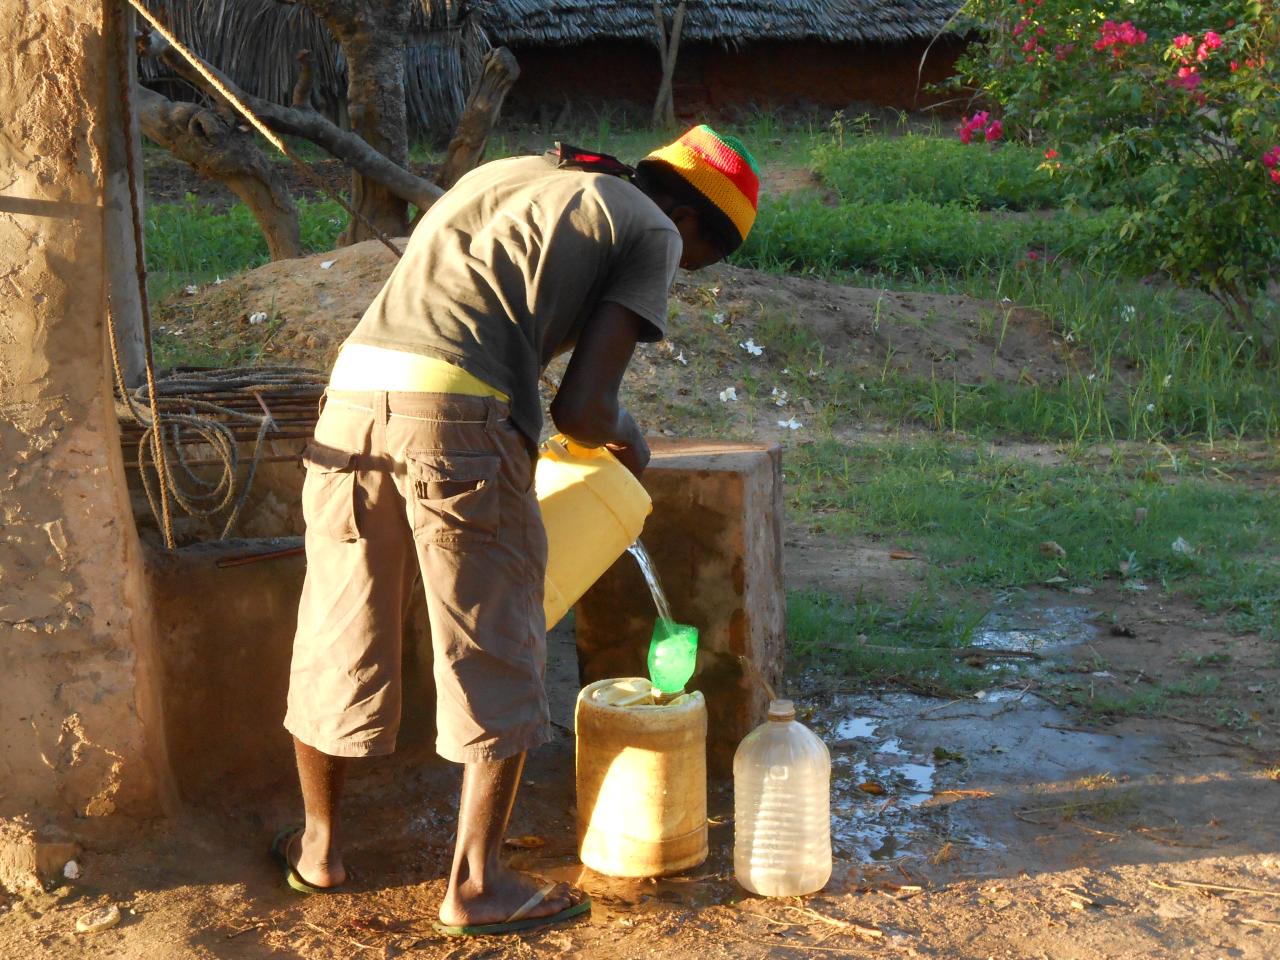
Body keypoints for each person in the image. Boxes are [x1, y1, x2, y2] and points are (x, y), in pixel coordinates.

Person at [273, 125, 760, 936]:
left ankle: (318, 850)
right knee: (497, 639)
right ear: (691, 222)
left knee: (337, 628)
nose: (684, 268)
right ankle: (476, 885)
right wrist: (629, 439)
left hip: (349, 403)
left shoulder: (518, 172)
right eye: (699, 260)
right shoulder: (655, 229)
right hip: (457, 423)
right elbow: (584, 409)